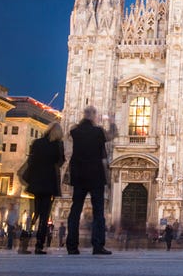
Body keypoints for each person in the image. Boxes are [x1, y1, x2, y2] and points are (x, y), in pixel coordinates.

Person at [66, 106, 112, 255]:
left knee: (75, 210)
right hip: (95, 176)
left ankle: (72, 246)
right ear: (93, 117)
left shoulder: (75, 132)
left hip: (78, 175)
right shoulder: (98, 132)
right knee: (98, 212)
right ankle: (98, 245)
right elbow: (110, 136)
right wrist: (109, 121)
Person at [24, 121, 64, 255]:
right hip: (48, 183)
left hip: (36, 182)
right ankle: (39, 245)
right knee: (44, 215)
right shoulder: (57, 145)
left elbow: (31, 160)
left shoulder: (37, 142)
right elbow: (61, 161)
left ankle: (25, 241)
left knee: (35, 213)